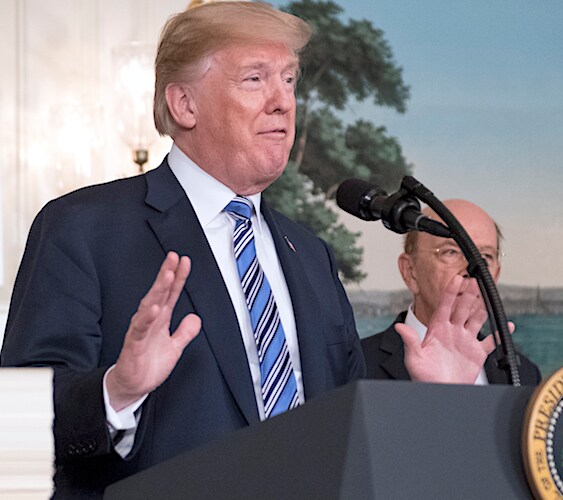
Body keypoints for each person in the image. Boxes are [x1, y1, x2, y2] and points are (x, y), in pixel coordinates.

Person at [0, 2, 505, 497]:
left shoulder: (310, 255)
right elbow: (19, 426)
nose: (283, 101)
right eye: (255, 78)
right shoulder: (84, 228)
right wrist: (118, 390)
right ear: (184, 104)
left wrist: (436, 401)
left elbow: (350, 435)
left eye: (289, 80)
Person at [361, 199, 541, 385]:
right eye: (451, 252)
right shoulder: (356, 366)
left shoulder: (524, 374)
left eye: (485, 257)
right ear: (410, 272)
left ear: (495, 276)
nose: (472, 269)